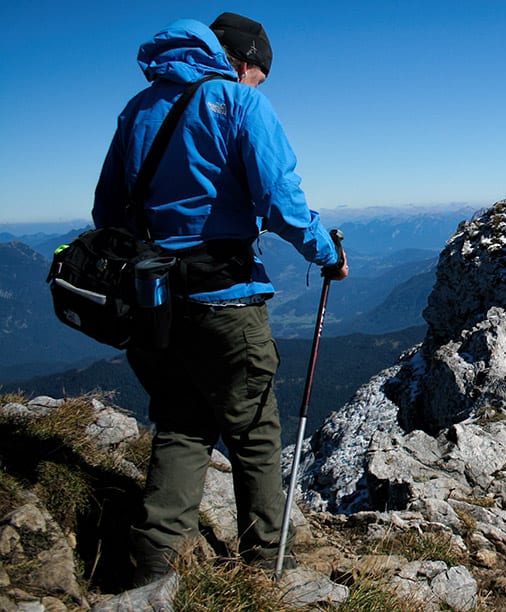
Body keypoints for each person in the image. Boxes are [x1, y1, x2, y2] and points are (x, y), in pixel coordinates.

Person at [92, 12, 348, 586]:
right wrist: (325, 254)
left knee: (181, 422)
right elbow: (280, 199)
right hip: (224, 295)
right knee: (255, 427)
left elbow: (107, 212)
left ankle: (156, 565)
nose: (255, 85)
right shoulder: (238, 102)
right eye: (256, 74)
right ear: (242, 60)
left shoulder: (137, 110)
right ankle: (265, 560)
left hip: (152, 300)